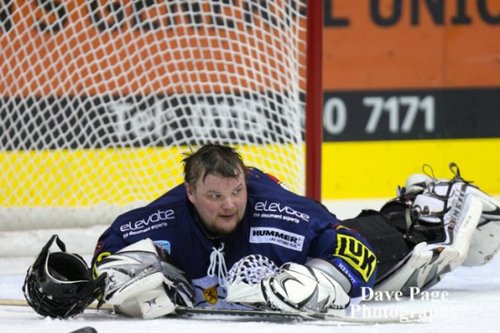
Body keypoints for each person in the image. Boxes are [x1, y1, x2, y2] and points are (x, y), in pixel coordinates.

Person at [23, 144, 500, 319]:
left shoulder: (277, 210)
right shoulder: (163, 216)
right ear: (191, 194)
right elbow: (110, 247)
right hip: (213, 272)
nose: (229, 205)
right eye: (215, 196)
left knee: (381, 254)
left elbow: (342, 240)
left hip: (309, 244)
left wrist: (327, 281)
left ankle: (423, 213)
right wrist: (92, 283)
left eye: (235, 192)